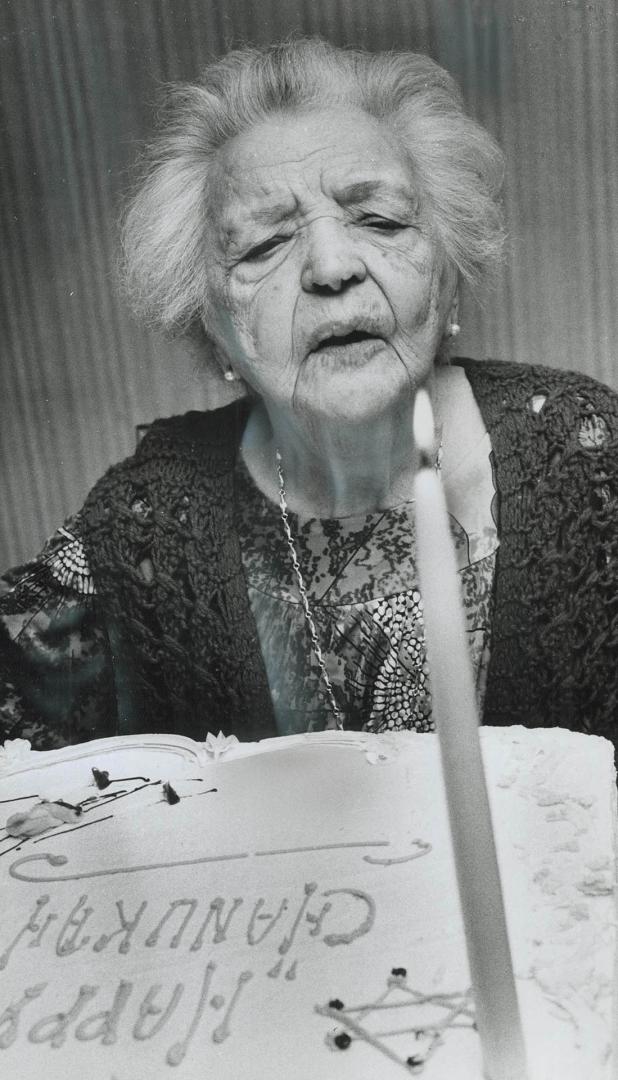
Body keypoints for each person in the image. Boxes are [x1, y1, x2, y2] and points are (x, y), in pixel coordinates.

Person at [1, 39, 617, 752]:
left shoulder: (587, 459)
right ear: (209, 323)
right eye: (263, 246)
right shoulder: (146, 527)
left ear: (448, 271)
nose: (331, 267)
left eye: (381, 220)